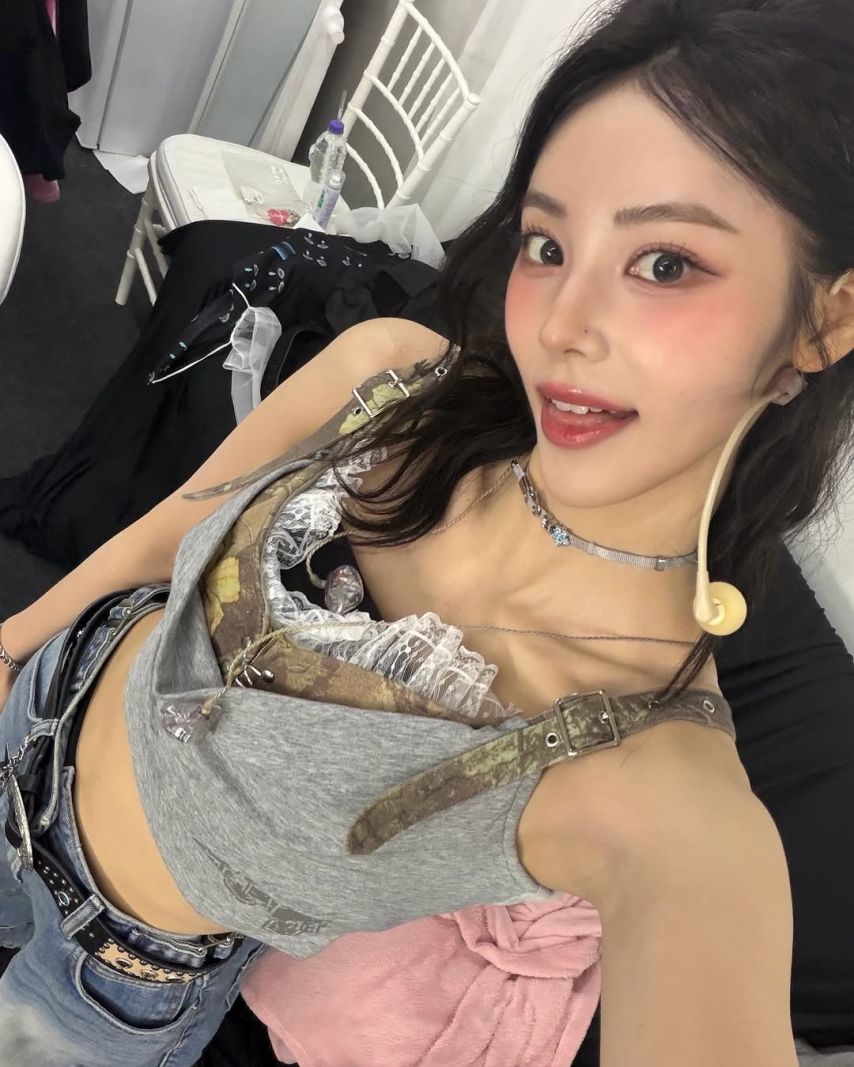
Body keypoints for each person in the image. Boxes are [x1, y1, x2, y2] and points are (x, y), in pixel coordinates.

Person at [1, 0, 854, 1063]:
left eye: (665, 263)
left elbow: (701, 927)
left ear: (823, 319)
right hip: (44, 696)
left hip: (102, 982)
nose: (560, 324)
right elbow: (172, 525)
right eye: (548, 243)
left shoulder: (651, 774)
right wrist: (15, 642)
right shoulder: (395, 379)